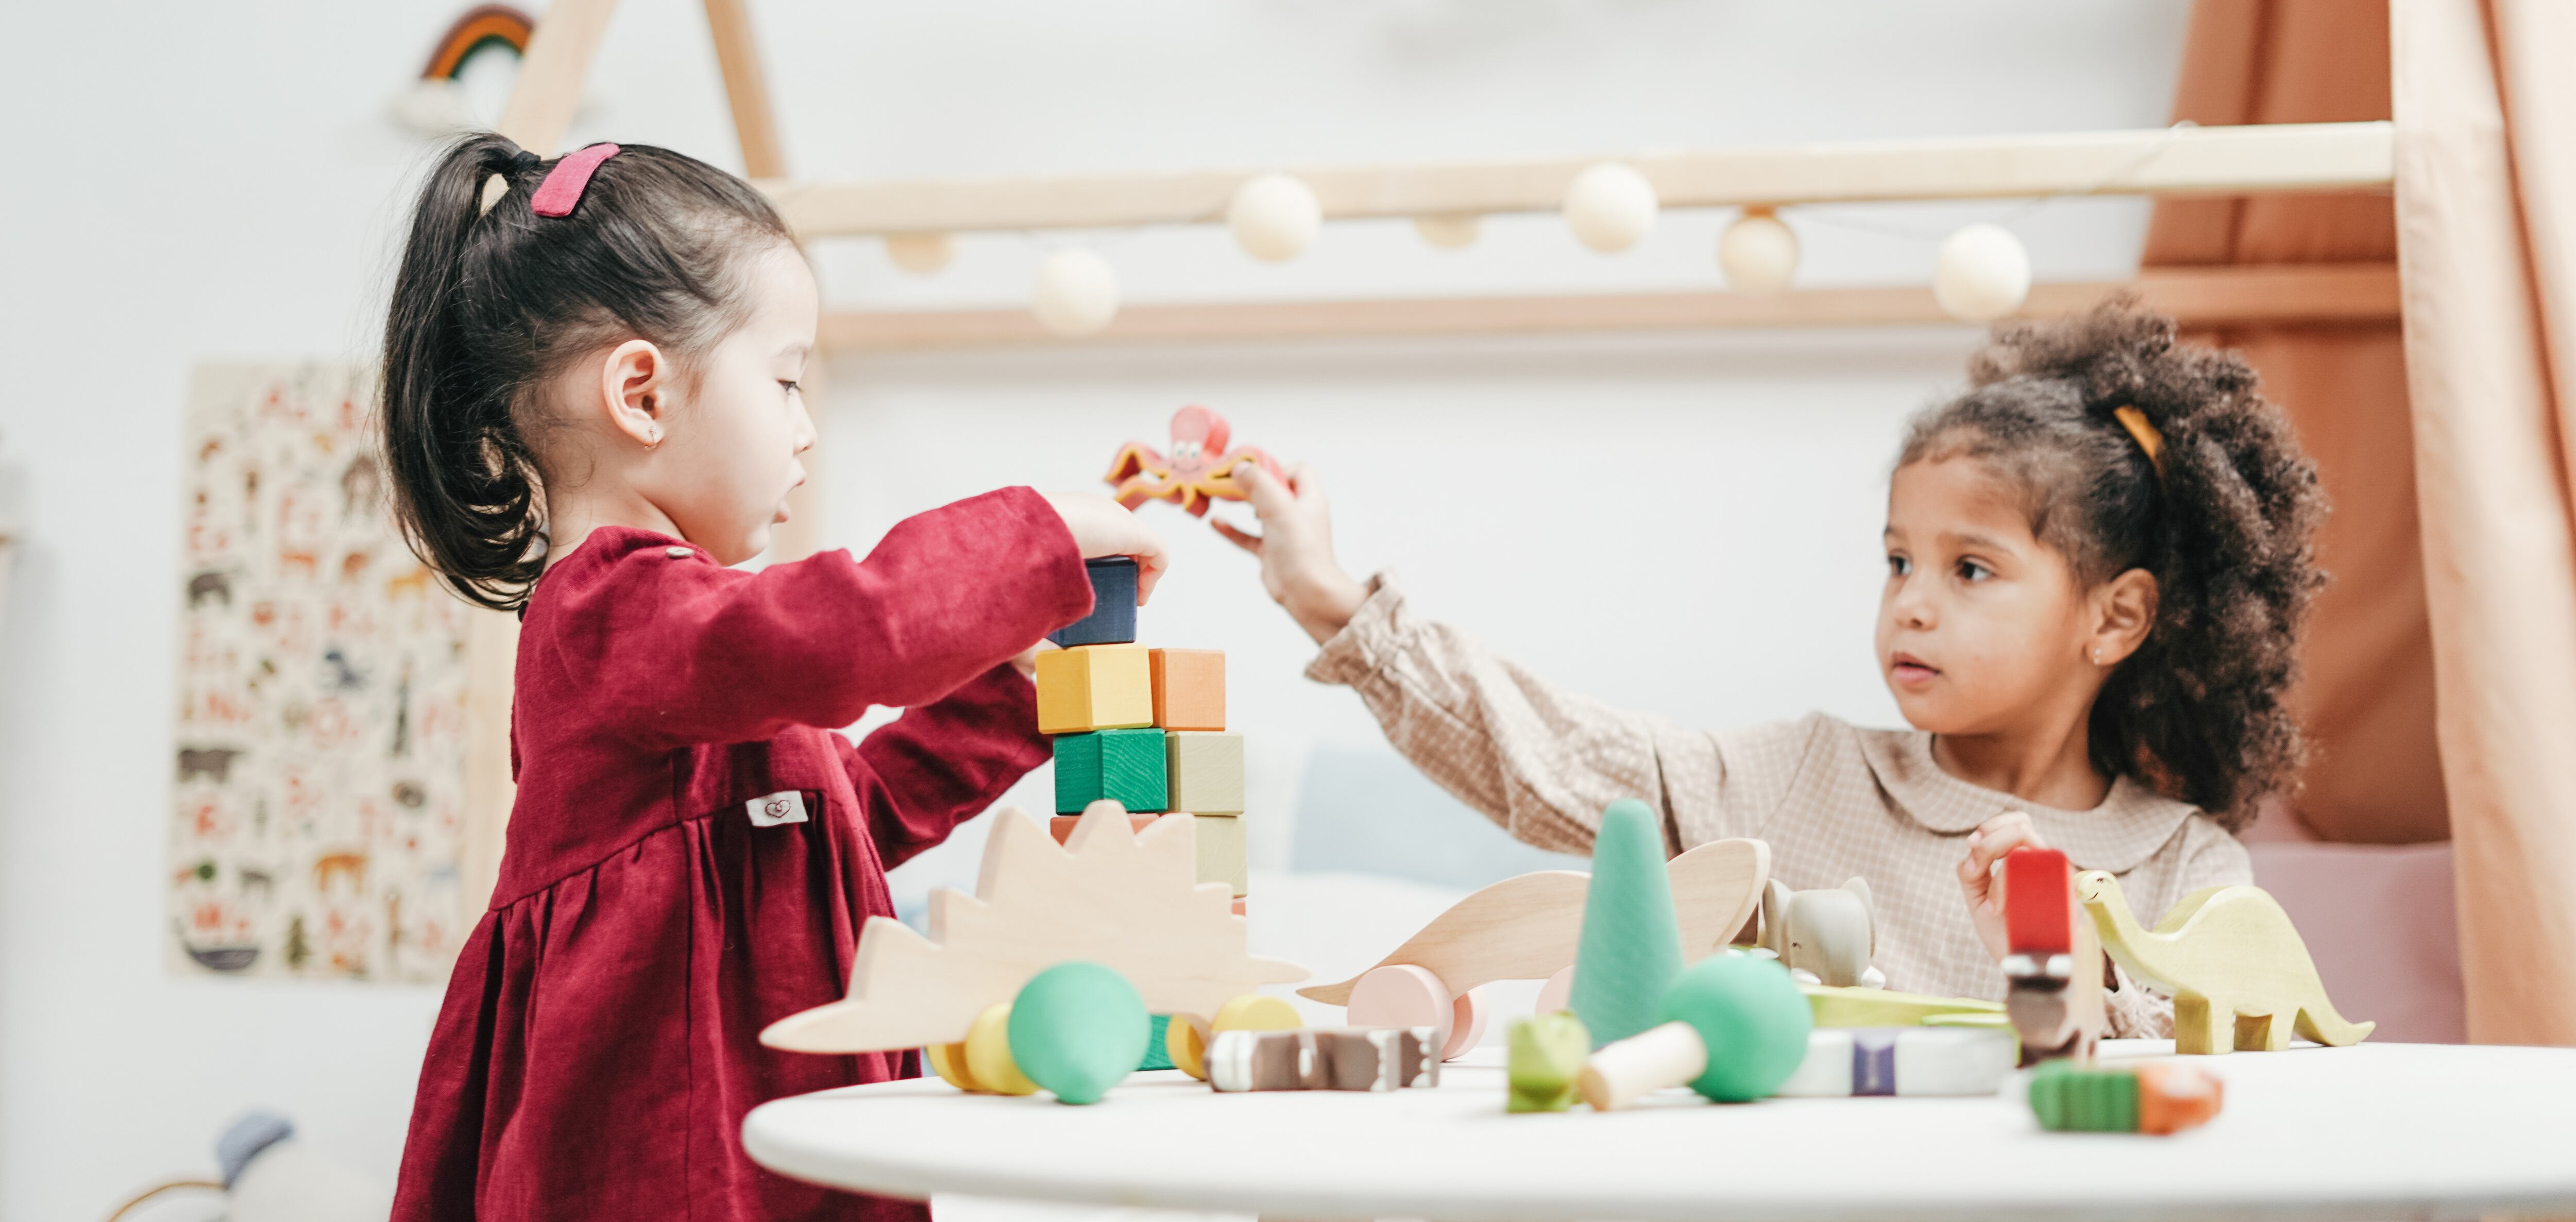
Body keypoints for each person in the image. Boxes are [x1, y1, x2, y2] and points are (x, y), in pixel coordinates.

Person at [379, 135, 1166, 1221]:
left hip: (780, 1143)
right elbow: (843, 635)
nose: (804, 432)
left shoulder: (695, 656)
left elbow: (850, 815)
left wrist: (1020, 689)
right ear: (643, 393)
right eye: (787, 381)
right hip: (667, 1164)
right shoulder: (613, 615)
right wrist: (1030, 543)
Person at [1218, 301, 2324, 1035]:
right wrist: (1327, 598)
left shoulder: (2184, 870)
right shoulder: (1795, 782)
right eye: (1898, 561)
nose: (1912, 603)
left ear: (2115, 618)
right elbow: (1541, 756)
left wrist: (2055, 961)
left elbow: (2212, 1090)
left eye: (1970, 569)